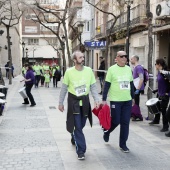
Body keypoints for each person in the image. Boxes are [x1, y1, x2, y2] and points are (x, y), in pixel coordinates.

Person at [58, 50, 99, 160]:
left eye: (83, 57)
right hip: (73, 102)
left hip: (85, 102)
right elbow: (64, 88)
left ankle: (73, 135)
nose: (83, 59)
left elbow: (93, 87)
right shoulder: (69, 72)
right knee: (78, 126)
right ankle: (81, 150)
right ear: (74, 60)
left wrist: (96, 100)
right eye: (80, 57)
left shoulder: (89, 71)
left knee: (81, 125)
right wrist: (60, 103)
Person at [102, 51, 134, 153]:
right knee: (116, 121)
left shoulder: (129, 69)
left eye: (126, 56)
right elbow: (106, 85)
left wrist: (133, 97)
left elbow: (131, 84)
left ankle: (123, 144)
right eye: (122, 56)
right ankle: (107, 131)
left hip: (127, 100)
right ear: (117, 58)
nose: (124, 58)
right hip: (115, 100)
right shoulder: (111, 69)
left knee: (125, 122)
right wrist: (103, 99)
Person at [149, 59, 169, 132]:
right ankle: (156, 120)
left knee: (164, 110)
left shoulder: (165, 73)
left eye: (155, 64)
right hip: (160, 93)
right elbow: (161, 84)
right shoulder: (159, 72)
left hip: (165, 94)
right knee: (157, 107)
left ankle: (165, 126)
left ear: (159, 64)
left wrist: (167, 93)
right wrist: (156, 90)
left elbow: (168, 84)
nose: (155, 65)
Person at [130, 55, 144, 121]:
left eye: (131, 59)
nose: (130, 60)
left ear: (135, 59)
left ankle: (137, 115)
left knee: (136, 102)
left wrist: (138, 88)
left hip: (137, 87)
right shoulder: (135, 67)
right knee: (134, 101)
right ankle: (134, 114)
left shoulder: (139, 68)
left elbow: (141, 78)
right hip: (135, 86)